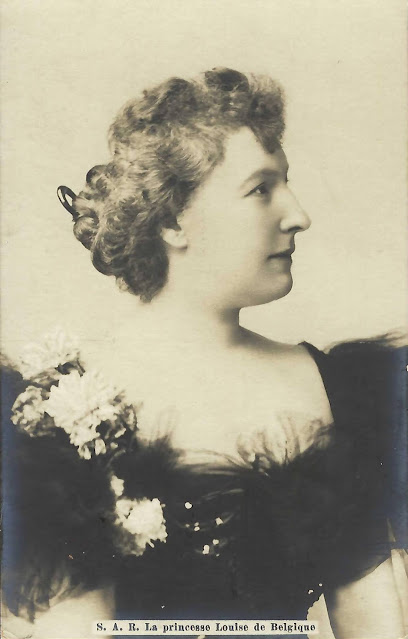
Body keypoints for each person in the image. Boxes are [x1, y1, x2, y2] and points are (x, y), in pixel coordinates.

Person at [2, 68, 407, 639]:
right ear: (173, 219)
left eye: (286, 183)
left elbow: (375, 622)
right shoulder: (62, 400)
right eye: (261, 189)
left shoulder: (337, 386)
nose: (298, 215)